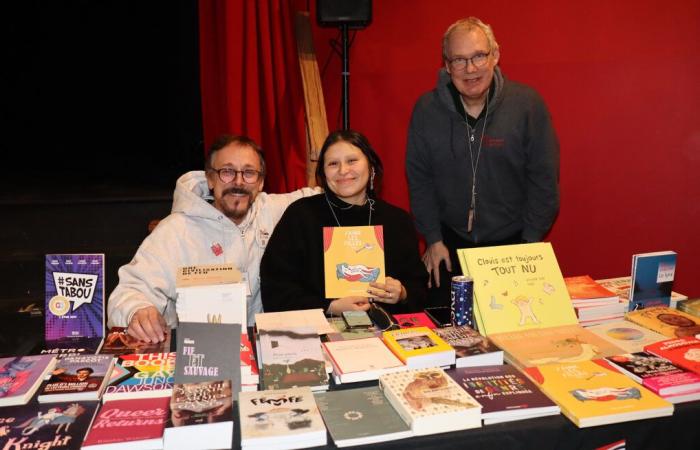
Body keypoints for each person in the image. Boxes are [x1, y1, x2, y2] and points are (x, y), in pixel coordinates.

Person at [405, 17, 560, 307]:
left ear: (495, 55)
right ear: (447, 65)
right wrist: (432, 238)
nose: (471, 68)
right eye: (460, 60)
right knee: (447, 334)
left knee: (513, 337)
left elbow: (544, 180)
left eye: (479, 56)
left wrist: (529, 243)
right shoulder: (426, 110)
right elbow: (419, 180)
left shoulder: (527, 105)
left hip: (514, 245)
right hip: (447, 247)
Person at [108, 134, 319, 342]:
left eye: (249, 172)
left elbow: (326, 194)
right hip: (203, 355)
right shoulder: (175, 231)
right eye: (227, 172)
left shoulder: (275, 211)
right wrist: (137, 311)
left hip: (269, 348)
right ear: (210, 178)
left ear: (261, 182)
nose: (238, 181)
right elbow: (130, 290)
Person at [260, 130, 427, 316]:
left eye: (352, 161)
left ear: (371, 166)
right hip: (318, 334)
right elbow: (275, 289)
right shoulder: (300, 216)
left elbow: (419, 288)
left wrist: (403, 293)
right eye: (333, 164)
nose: (343, 171)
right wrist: (329, 307)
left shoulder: (397, 221)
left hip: (386, 333)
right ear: (323, 172)